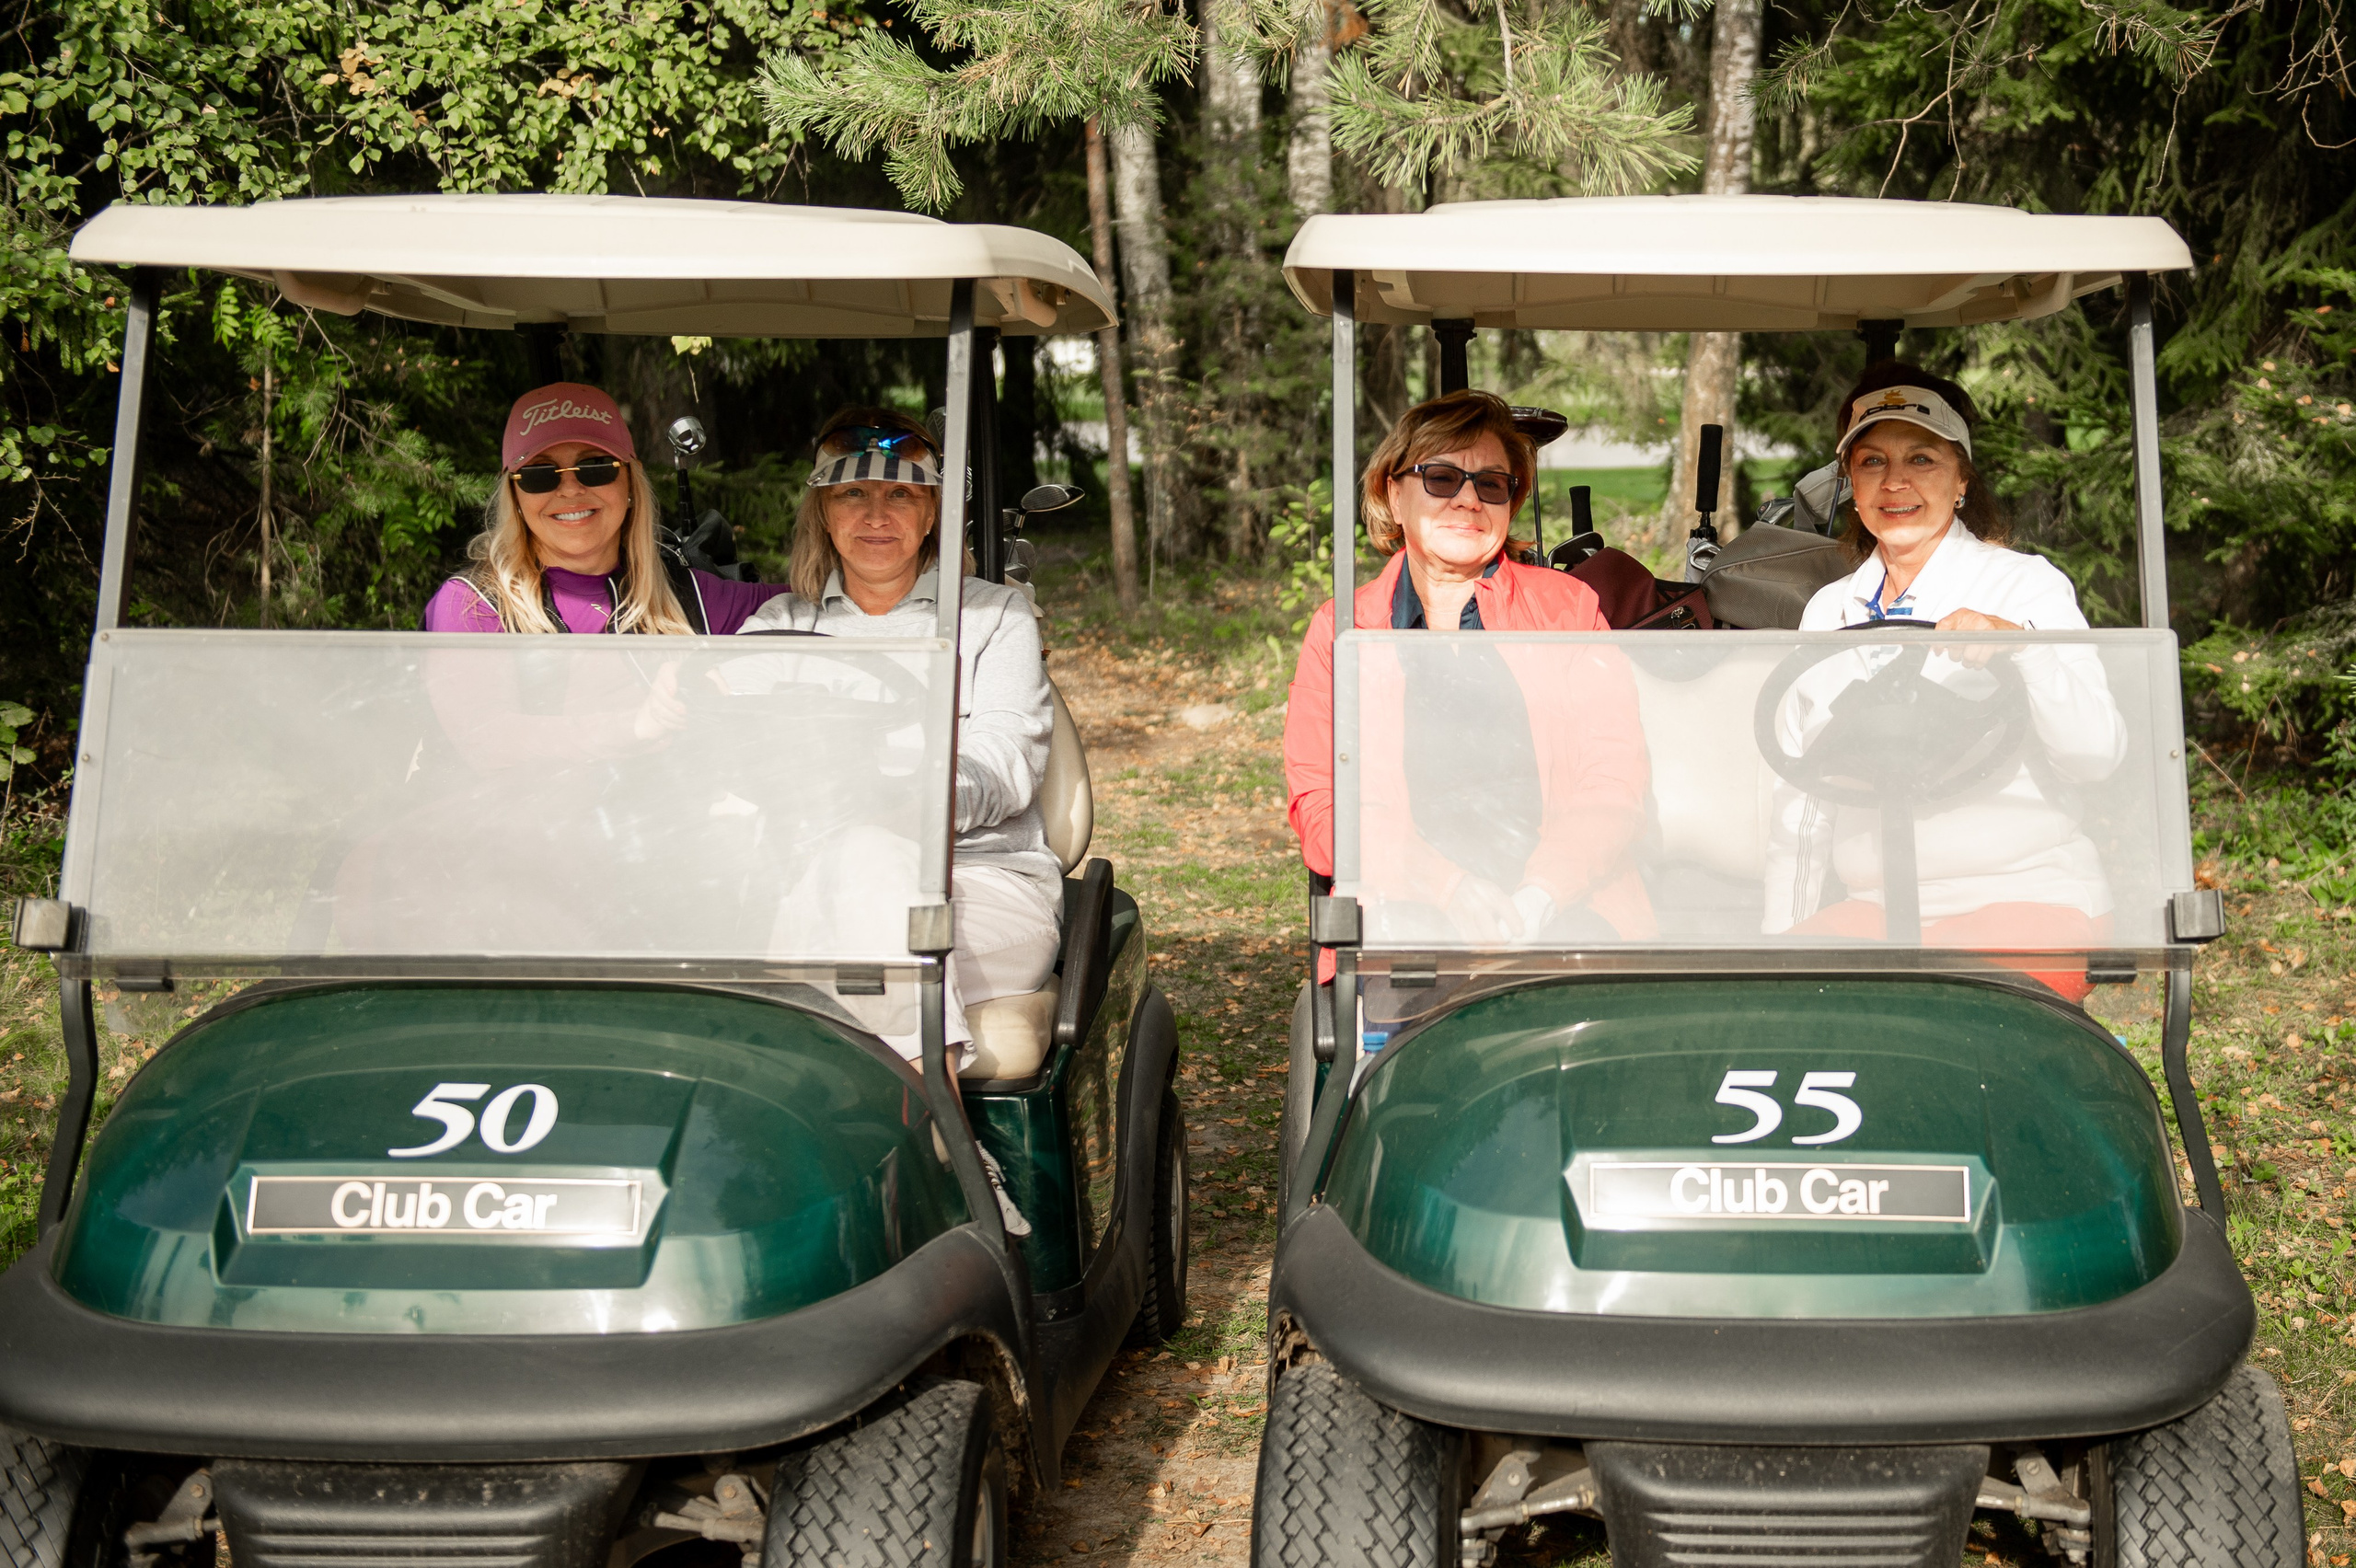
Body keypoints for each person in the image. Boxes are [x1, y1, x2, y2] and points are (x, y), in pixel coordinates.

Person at [1763, 363, 2127, 998]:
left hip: (2024, 891)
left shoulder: (2021, 586)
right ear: (1849, 482)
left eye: (1922, 459)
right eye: (1872, 461)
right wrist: (1780, 942)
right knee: (1790, 1015)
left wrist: (2024, 651)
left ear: (1961, 478)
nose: (1895, 481)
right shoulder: (1828, 612)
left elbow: (2095, 755)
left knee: (1956, 1035)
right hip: (1878, 907)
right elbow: (1803, 805)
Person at [737, 408, 1060, 1066]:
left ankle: (943, 1146)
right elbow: (733, 759)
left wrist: (890, 802)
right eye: (853, 493)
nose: (876, 514)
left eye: (901, 494)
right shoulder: (780, 626)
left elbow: (1004, 763)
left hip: (975, 884)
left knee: (861, 869)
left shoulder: (993, 617)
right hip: (806, 880)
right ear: (824, 511)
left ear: (932, 511)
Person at [1283, 390, 1653, 958]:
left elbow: (1613, 780)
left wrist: (1542, 895)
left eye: (1491, 484)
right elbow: (1322, 806)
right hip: (1402, 916)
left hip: (1563, 915)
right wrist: (1446, 888)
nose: (1467, 501)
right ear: (1394, 491)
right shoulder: (1344, 630)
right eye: (1441, 478)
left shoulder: (1568, 611)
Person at [423, 382, 785, 636]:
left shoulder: (686, 596)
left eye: (595, 467)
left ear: (630, 482)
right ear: (515, 496)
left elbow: (828, 600)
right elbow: (484, 738)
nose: (570, 490)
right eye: (539, 474)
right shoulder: (474, 608)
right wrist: (639, 725)